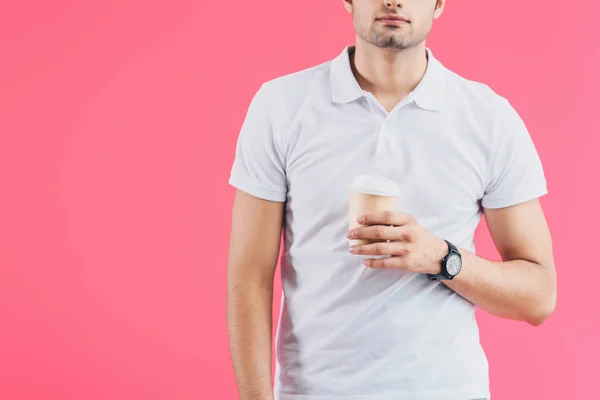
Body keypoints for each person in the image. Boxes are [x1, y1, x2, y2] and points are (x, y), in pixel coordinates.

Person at [226, 0, 557, 399]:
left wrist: (440, 257)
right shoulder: (281, 106)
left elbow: (539, 296)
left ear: (438, 4)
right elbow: (248, 278)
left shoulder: (488, 118)